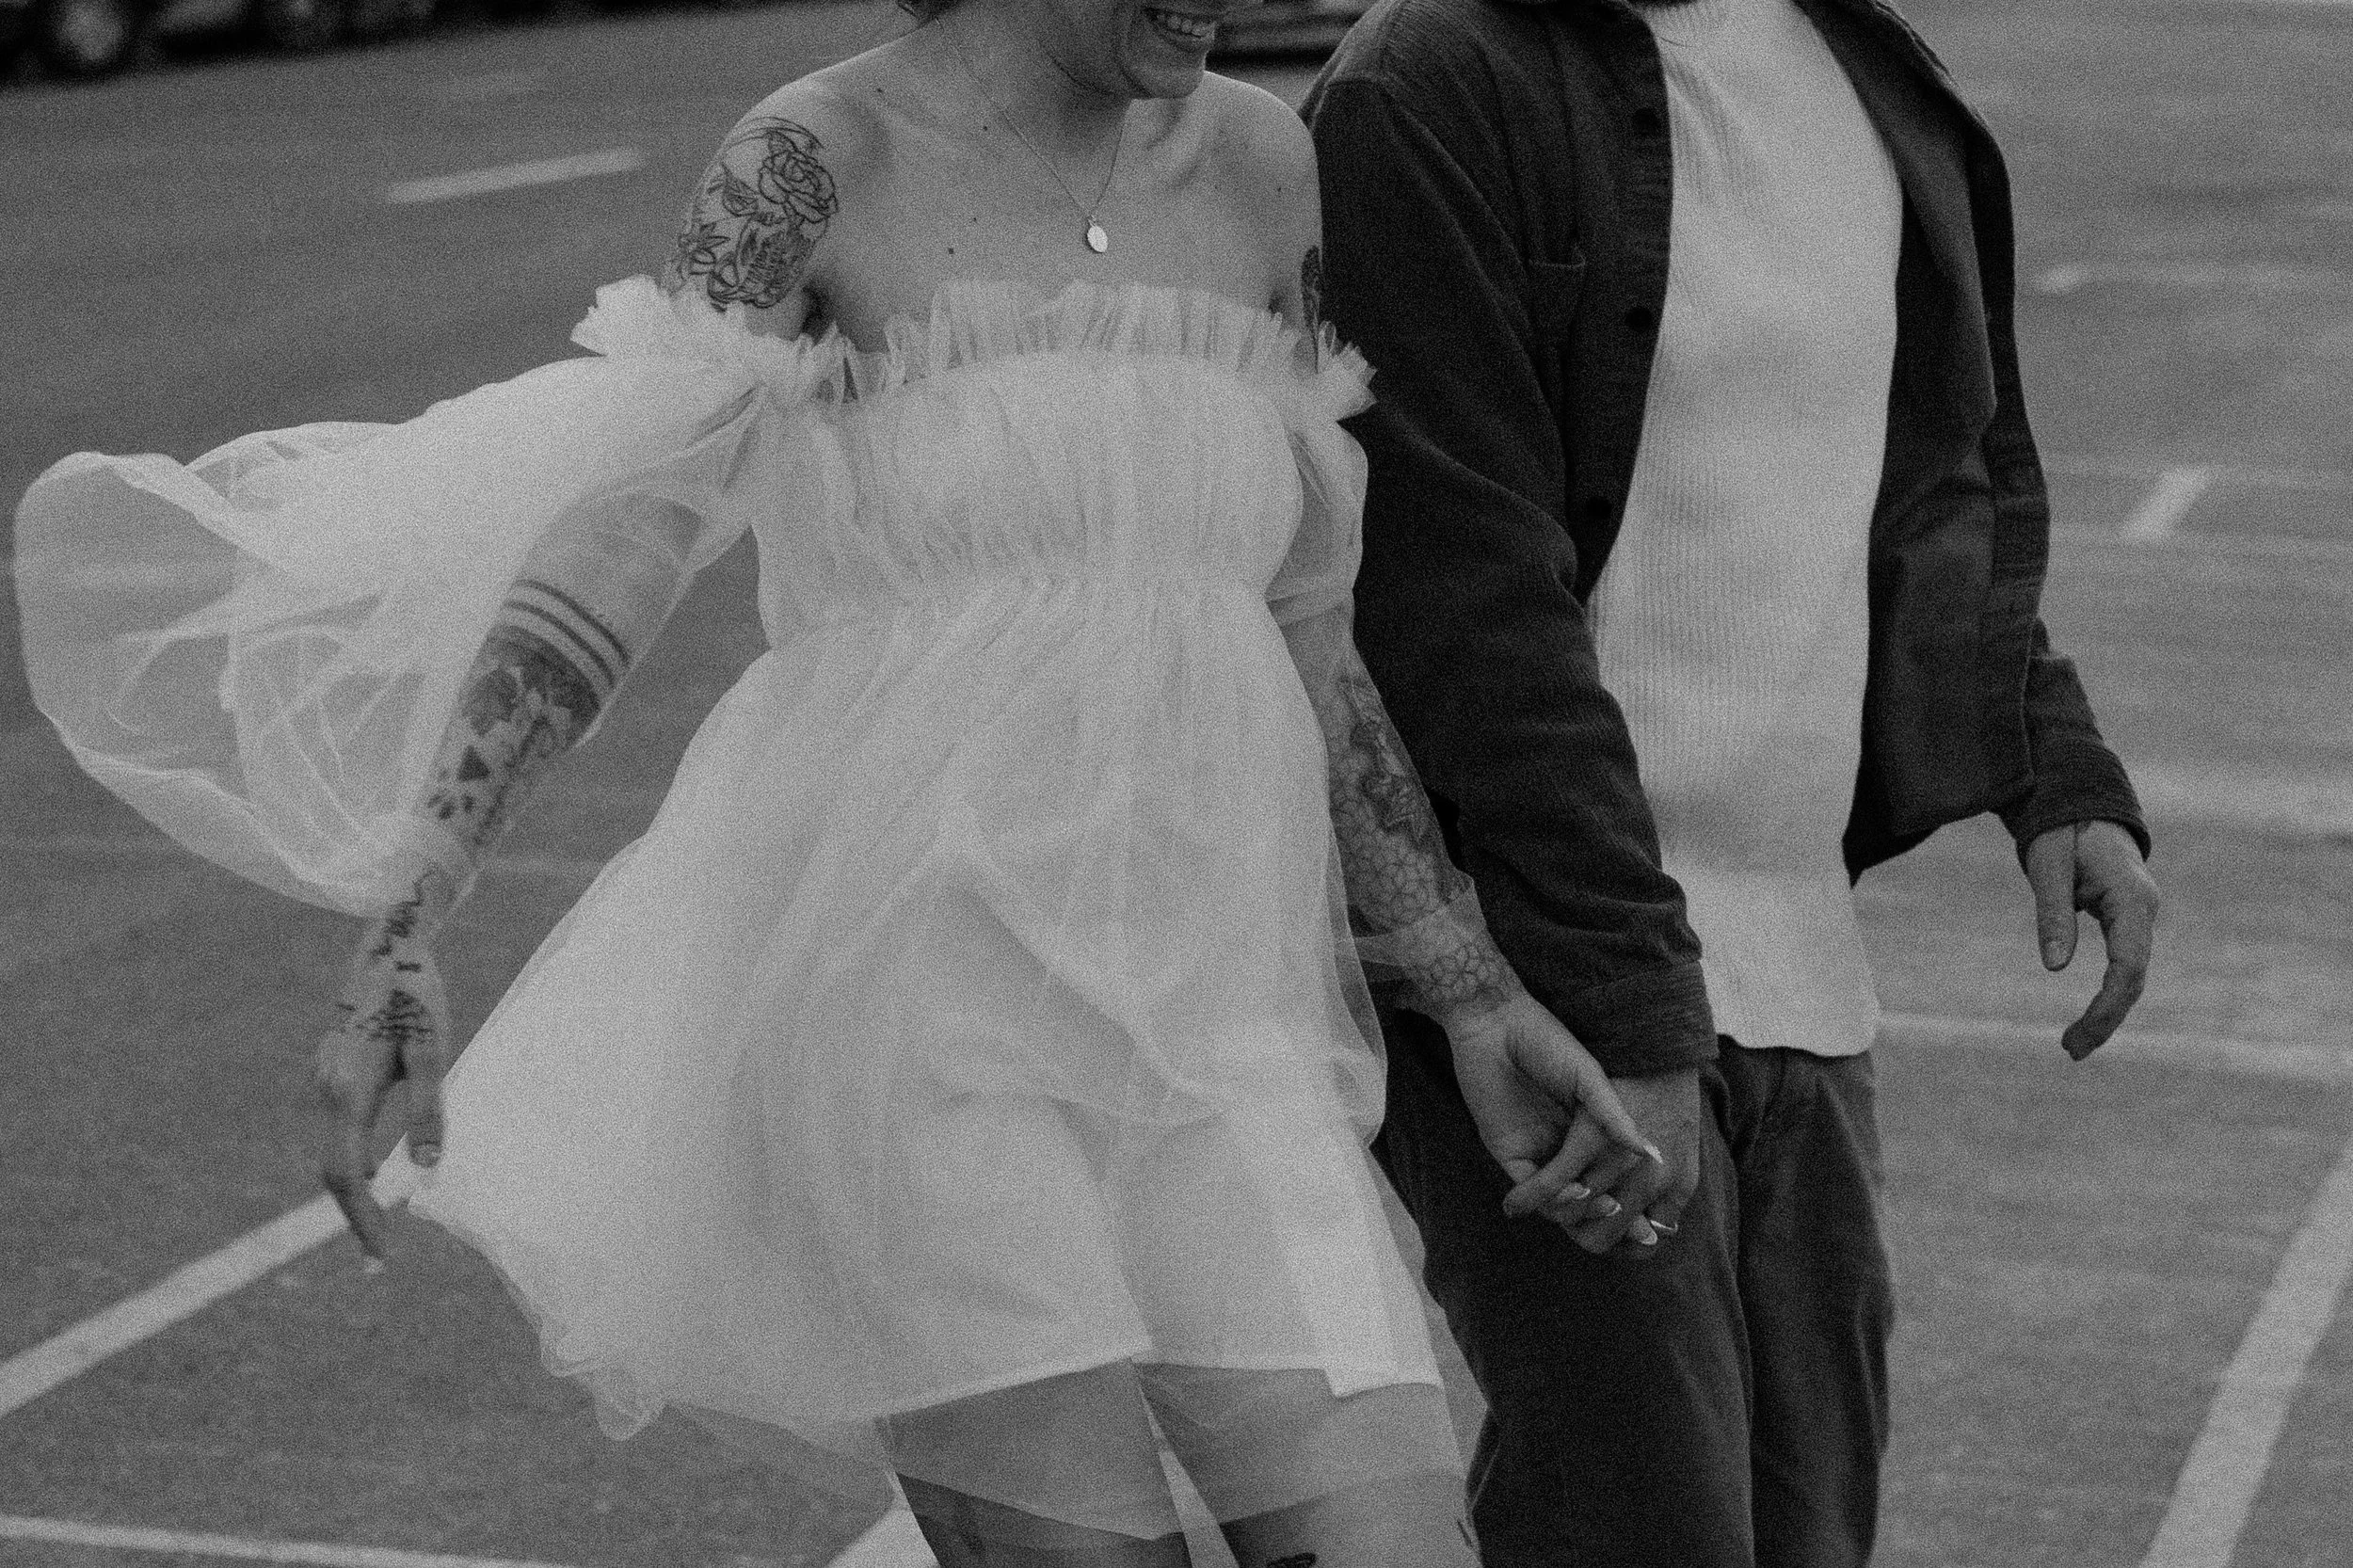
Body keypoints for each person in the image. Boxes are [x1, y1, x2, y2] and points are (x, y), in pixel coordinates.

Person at [11, 0, 1677, 1563]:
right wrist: (413, 902)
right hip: (917, 1024)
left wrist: (1463, 988)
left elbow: (1306, 629)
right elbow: (623, 546)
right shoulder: (813, 162)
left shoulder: (1259, 163)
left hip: (1218, 1025)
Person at [1303, 0, 2163, 1564]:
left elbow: (1926, 467)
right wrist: (1626, 1004)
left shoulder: (1866, 70)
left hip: (1798, 952)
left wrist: (2054, 766)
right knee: (1645, 1526)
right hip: (1549, 957)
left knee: (1801, 1527)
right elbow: (1460, 595)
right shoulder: (1430, 89)